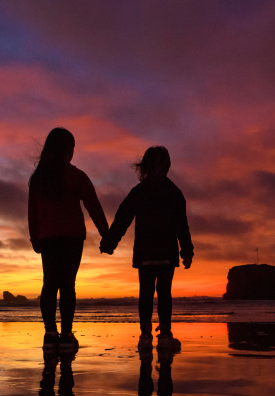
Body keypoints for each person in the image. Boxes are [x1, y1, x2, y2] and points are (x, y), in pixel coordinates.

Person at [100, 146, 193, 348]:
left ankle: (145, 336)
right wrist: (187, 253)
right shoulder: (174, 192)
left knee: (146, 293)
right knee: (164, 293)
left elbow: (122, 219)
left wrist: (110, 242)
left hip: (145, 253)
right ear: (167, 166)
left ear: (145, 166)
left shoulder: (138, 192)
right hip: (167, 254)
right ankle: (165, 335)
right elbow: (182, 227)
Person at [28, 127, 108, 350]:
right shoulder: (76, 176)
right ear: (67, 150)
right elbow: (94, 207)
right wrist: (107, 236)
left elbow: (32, 212)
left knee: (49, 284)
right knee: (67, 285)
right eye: (72, 148)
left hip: (48, 239)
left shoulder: (38, 179)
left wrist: (35, 238)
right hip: (72, 238)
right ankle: (65, 336)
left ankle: (50, 335)